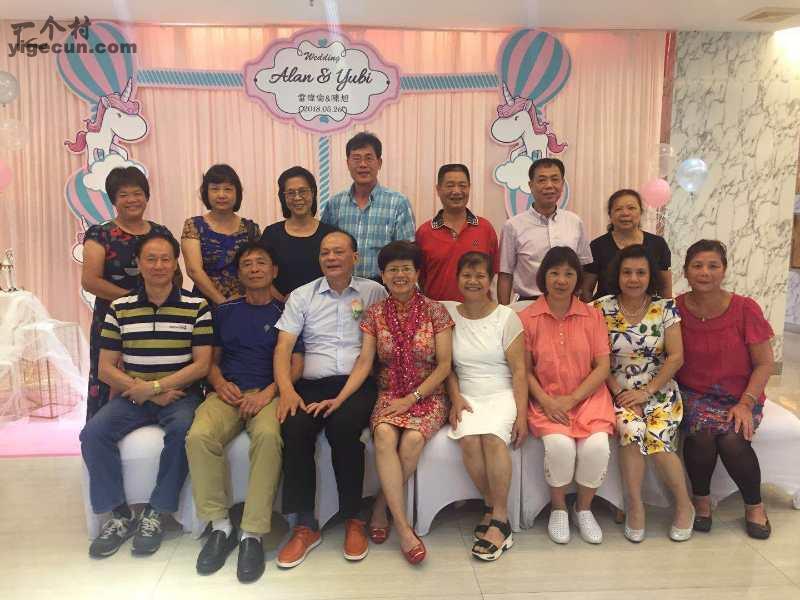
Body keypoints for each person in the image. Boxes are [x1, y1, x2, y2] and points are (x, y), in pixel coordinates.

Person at [314, 241, 453, 565]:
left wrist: (413, 398)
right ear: (383, 274)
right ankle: (404, 529)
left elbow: (445, 365)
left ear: (417, 273)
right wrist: (340, 397)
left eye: (406, 269)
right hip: (389, 393)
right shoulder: (374, 313)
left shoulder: (436, 310)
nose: (399, 275)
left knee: (414, 439)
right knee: (384, 434)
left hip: (428, 393)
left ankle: (380, 507)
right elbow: (365, 362)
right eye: (393, 269)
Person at [80, 231, 212, 558]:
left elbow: (202, 365)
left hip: (180, 395)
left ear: (175, 264)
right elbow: (106, 368)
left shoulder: (196, 306)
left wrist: (157, 388)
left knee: (183, 432)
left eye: (166, 259)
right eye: (150, 259)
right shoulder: (120, 308)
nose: (158, 265)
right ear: (138, 264)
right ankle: (119, 515)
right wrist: (147, 392)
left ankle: (156, 511)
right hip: (135, 395)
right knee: (93, 433)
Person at [185, 242, 304, 583]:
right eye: (247, 264)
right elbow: (210, 362)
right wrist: (220, 383)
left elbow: (296, 364)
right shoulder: (224, 311)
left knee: (268, 438)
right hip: (227, 393)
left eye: (261, 263)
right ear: (238, 274)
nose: (254, 269)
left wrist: (269, 393)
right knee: (198, 436)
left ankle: (252, 533)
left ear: (274, 271)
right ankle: (220, 526)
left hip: (269, 393)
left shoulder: (288, 312)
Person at [273, 230, 387, 568]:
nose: (331, 258)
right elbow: (283, 347)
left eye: (339, 251)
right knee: (294, 428)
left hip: (357, 383)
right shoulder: (302, 295)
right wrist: (287, 390)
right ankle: (305, 524)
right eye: (325, 253)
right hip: (310, 383)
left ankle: (353, 517)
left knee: (343, 429)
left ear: (355, 257)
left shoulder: (374, 292)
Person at [593, 244, 694, 543]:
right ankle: (634, 505)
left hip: (659, 387)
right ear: (617, 275)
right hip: (617, 389)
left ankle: (684, 505)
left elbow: (676, 357)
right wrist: (621, 394)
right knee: (631, 429)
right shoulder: (600, 308)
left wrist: (647, 392)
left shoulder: (665, 308)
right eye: (627, 272)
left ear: (651, 276)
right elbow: (595, 358)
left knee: (657, 437)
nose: (633, 279)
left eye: (640, 272)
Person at [675, 240, 774, 539]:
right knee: (702, 434)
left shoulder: (745, 309)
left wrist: (746, 403)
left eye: (713, 266)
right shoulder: (675, 309)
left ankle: (754, 506)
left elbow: (764, 363)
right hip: (693, 394)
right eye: (697, 266)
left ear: (724, 270)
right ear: (686, 271)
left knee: (732, 438)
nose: (705, 272)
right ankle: (701, 501)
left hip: (740, 394)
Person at [519, 246, 614, 545]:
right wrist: (546, 401)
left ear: (578, 278)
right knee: (560, 447)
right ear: (543, 276)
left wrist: (573, 399)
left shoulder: (592, 315)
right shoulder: (527, 317)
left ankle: (583, 509)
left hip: (588, 398)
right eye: (554, 273)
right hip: (546, 398)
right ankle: (559, 508)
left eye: (569, 273)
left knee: (597, 448)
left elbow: (603, 367)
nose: (561, 280)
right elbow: (524, 370)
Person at [444, 251, 527, 561]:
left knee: (492, 438)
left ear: (490, 279)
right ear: (457, 279)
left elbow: (519, 371)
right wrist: (455, 397)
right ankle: (492, 506)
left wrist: (521, 415)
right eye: (467, 275)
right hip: (467, 393)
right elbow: (446, 367)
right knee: (468, 440)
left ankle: (500, 520)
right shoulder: (448, 315)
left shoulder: (506, 316)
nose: (473, 281)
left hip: (501, 392)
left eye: (480, 275)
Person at [81, 167, 173, 420]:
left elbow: (174, 275)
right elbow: (90, 281)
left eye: (137, 193)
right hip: (113, 320)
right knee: (110, 377)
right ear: (113, 199)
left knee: (158, 370)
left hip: (158, 317)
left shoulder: (161, 233)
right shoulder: (100, 234)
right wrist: (133, 301)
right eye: (124, 195)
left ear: (147, 196)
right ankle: (103, 432)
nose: (132, 200)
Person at [320, 132, 416, 281]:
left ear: (379, 162)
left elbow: (407, 255)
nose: (363, 164)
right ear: (348, 163)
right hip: (343, 286)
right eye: (356, 158)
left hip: (383, 287)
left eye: (369, 158)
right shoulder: (334, 204)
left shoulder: (398, 203)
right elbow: (325, 250)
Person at [498, 158, 591, 305]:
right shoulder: (513, 226)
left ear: (562, 184)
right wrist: (503, 313)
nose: (549, 185)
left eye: (555, 179)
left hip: (567, 304)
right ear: (531, 185)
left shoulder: (575, 222)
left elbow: (584, 266)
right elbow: (505, 274)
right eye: (542, 180)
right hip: (528, 304)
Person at [415, 164, 499, 301]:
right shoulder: (424, 232)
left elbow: (494, 275)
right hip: (436, 310)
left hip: (478, 310)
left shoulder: (485, 228)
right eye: (450, 185)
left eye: (462, 185)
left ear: (469, 188)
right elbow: (420, 278)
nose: (456, 191)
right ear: (438, 189)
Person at [182, 164, 260, 305]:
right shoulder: (193, 225)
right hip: (205, 305)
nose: (221, 195)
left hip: (245, 303)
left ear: (237, 193)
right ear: (206, 193)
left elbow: (257, 268)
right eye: (215, 189)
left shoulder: (251, 229)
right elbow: (194, 270)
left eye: (228, 189)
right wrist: (223, 303)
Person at [260, 166, 338, 299]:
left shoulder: (330, 234)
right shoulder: (271, 234)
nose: (297, 197)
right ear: (283, 197)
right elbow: (262, 273)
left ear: (313, 193)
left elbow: (338, 275)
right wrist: (283, 301)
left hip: (324, 307)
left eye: (303, 191)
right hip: (281, 306)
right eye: (290, 193)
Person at [582, 189, 672, 300]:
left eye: (631, 208)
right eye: (618, 209)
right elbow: (586, 290)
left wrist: (667, 309)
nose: (625, 213)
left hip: (649, 309)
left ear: (641, 212)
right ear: (610, 214)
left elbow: (665, 287)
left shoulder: (658, 244)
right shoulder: (597, 246)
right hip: (605, 309)